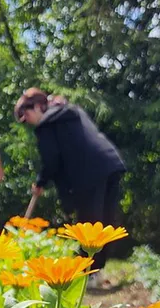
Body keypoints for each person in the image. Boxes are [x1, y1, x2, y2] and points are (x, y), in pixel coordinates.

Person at [14, 88, 126, 283]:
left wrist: (40, 182)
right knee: (104, 221)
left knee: (89, 224)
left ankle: (87, 273)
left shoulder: (47, 124)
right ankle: (96, 271)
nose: (28, 122)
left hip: (88, 171)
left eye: (26, 115)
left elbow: (52, 160)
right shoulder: (70, 111)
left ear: (38, 107)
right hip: (110, 163)